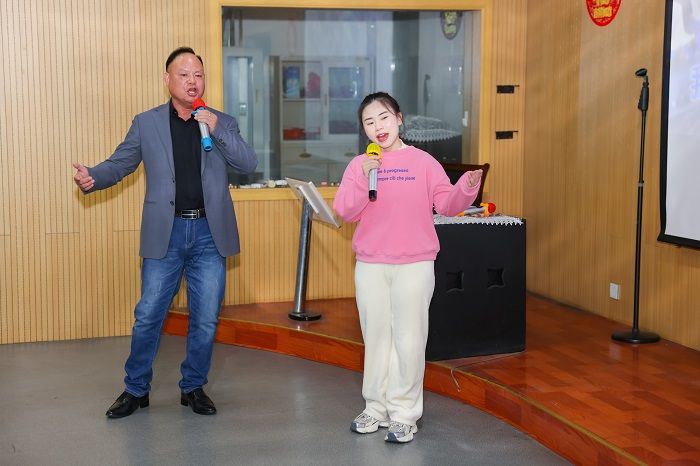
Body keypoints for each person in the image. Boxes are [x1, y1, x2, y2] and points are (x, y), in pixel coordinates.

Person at [73, 47, 257, 419]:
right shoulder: (147, 123)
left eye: (199, 75)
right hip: (166, 233)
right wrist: (94, 177)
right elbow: (121, 163)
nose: (193, 82)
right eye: (184, 74)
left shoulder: (221, 121)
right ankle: (135, 389)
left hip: (209, 234)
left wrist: (217, 128)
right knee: (148, 315)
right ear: (167, 80)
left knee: (205, 318)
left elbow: (247, 163)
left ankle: (193, 387)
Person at [333, 92, 482, 443]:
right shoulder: (360, 165)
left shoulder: (424, 162)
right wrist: (364, 177)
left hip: (415, 263)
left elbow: (447, 205)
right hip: (371, 264)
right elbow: (345, 210)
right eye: (369, 122)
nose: (378, 127)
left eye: (384, 117)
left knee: (409, 339)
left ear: (399, 118)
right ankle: (375, 408)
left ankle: (404, 414)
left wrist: (466, 188)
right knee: (376, 338)